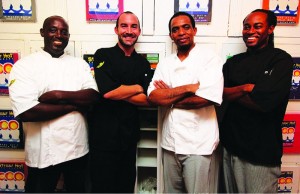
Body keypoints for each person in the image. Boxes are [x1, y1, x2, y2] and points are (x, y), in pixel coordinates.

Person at [8, 15, 99, 193]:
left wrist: (57, 95)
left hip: (76, 150)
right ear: (42, 32)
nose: (59, 35)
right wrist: (73, 106)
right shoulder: (24, 66)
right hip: (43, 153)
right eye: (53, 30)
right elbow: (28, 112)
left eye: (64, 32)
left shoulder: (79, 65)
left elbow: (92, 96)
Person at [147, 12, 224, 193]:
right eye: (175, 29)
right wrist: (189, 88)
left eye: (186, 27)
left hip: (198, 145)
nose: (181, 32)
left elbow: (206, 99)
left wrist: (169, 96)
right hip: (170, 143)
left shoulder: (210, 59)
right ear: (171, 35)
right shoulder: (165, 63)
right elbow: (153, 97)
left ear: (194, 30)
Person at [219, 9, 294, 193]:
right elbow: (220, 94)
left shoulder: (281, 60)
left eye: (257, 26)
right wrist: (246, 88)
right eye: (247, 27)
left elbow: (265, 103)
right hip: (230, 148)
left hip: (261, 154)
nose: (250, 31)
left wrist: (235, 93)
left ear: (270, 29)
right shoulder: (233, 62)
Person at [88, 11, 152, 193]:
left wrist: (121, 90)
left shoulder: (143, 63)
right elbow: (107, 92)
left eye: (134, 26)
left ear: (139, 31)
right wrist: (138, 87)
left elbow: (148, 100)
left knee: (125, 188)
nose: (129, 31)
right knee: (102, 188)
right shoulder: (103, 55)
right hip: (103, 139)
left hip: (129, 139)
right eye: (124, 26)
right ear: (116, 29)